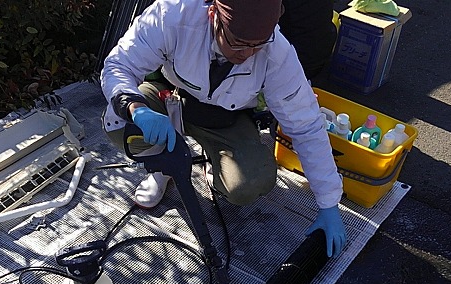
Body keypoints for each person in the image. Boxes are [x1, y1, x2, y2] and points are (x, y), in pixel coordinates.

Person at [99, 0, 347, 257]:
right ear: (213, 15)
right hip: (170, 95)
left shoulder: (277, 51)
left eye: (257, 45)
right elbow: (119, 65)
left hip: (226, 115)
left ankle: (215, 163)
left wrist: (328, 203)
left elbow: (306, 125)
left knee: (250, 183)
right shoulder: (172, 14)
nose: (247, 53)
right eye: (238, 43)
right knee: (119, 123)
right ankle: (164, 168)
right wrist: (137, 109)